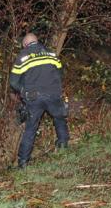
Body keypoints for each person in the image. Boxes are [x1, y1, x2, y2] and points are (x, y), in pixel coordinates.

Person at [9, 33, 69, 168]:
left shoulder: (22, 57)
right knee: (59, 118)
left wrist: (23, 91)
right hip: (53, 94)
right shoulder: (51, 54)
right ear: (37, 41)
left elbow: (13, 82)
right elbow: (60, 73)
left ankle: (23, 162)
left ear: (25, 45)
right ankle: (63, 144)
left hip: (33, 97)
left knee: (30, 128)